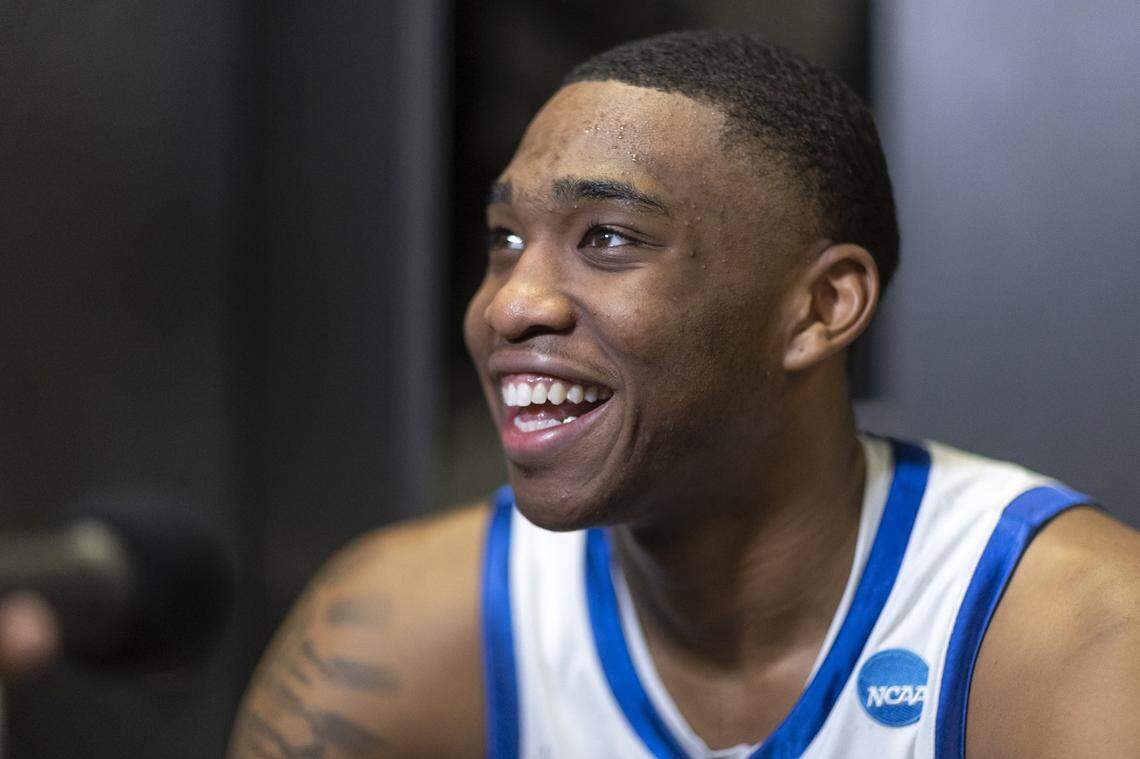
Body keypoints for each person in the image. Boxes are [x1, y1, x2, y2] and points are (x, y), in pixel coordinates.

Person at [227, 30, 1140, 758]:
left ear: (820, 307)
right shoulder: (396, 633)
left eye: (610, 238)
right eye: (506, 238)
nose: (510, 305)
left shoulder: (1076, 638)